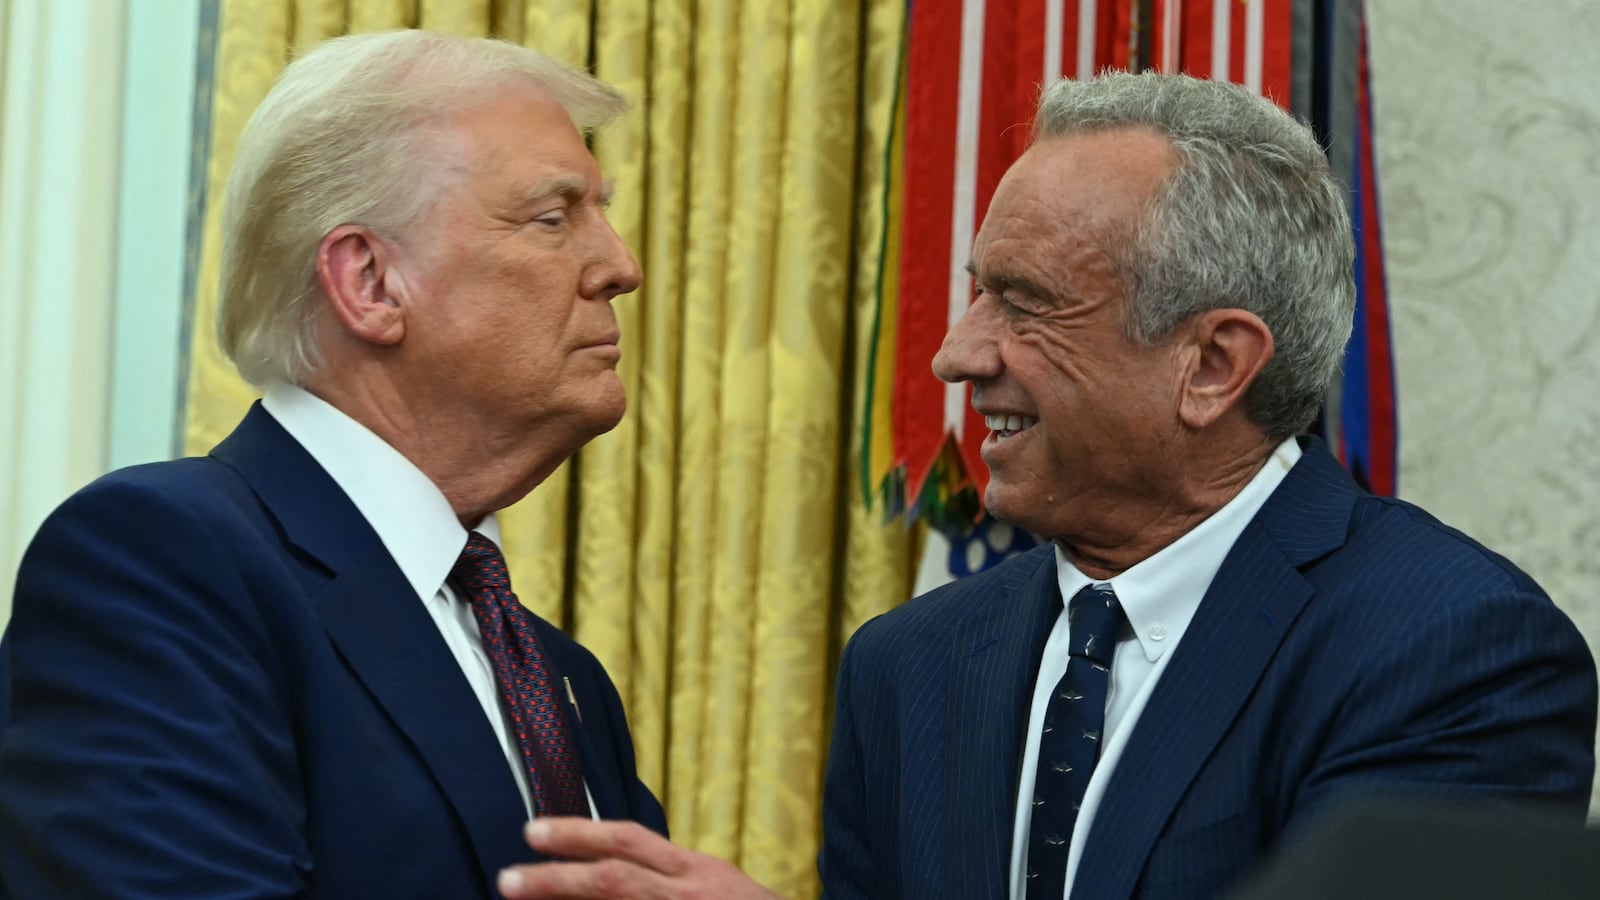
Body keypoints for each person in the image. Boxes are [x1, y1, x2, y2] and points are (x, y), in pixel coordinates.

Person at [492, 71, 1598, 900]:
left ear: (1213, 365)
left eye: (1023, 304)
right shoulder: (908, 665)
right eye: (976, 293)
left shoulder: (1450, 650)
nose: (957, 356)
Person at [0, 30, 665, 899]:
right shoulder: (160, 563)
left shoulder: (563, 679)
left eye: (600, 214)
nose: (620, 266)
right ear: (371, 283)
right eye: (552, 218)